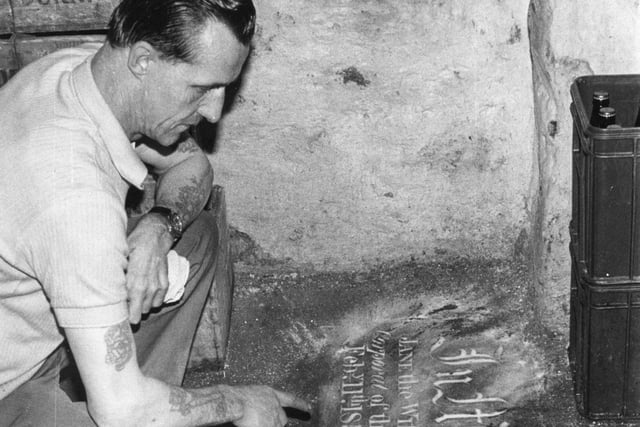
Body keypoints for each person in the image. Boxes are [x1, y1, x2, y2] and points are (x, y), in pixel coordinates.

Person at [0, 0, 311, 425]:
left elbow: (191, 165)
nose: (214, 111)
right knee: (127, 411)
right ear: (144, 60)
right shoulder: (75, 202)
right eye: (202, 89)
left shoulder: (84, 72)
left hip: (41, 317)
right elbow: (121, 413)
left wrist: (159, 226)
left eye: (224, 88)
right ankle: (141, 400)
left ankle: (136, 390)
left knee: (194, 235)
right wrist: (237, 401)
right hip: (12, 382)